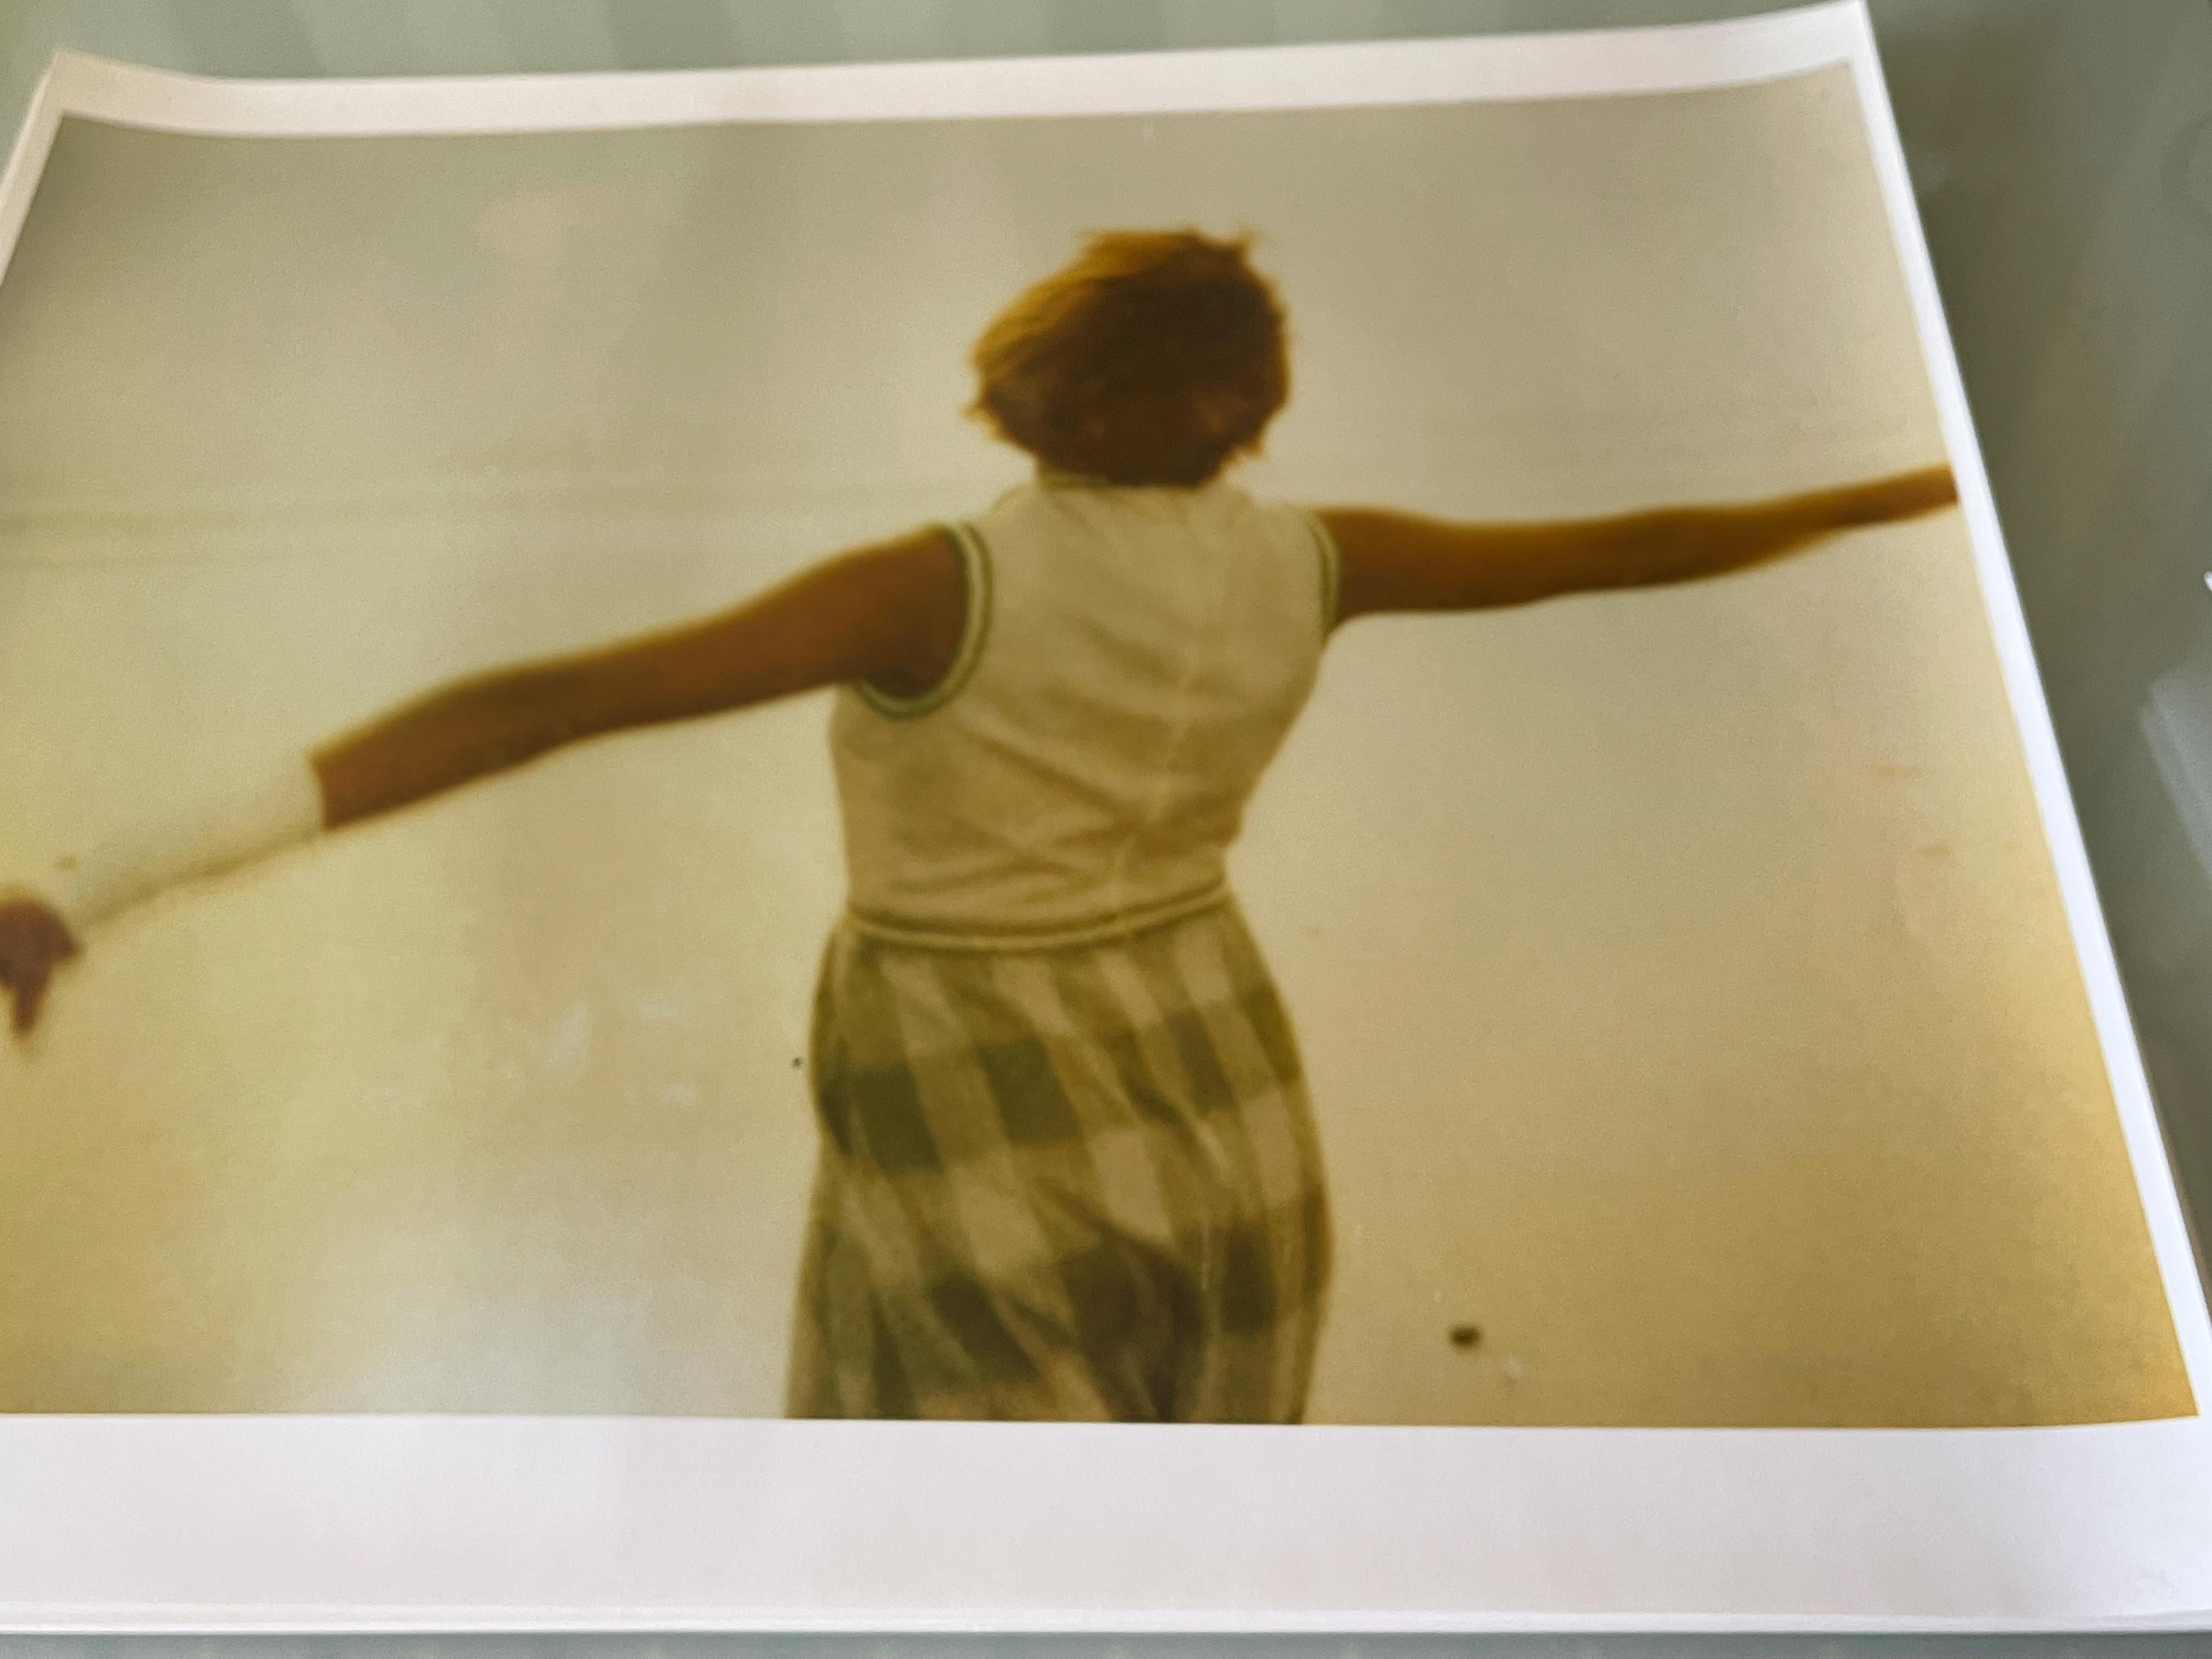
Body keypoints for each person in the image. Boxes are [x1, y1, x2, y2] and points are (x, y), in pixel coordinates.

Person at [0, 228, 1958, 1423]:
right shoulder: (1318, 558)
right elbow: (1633, 548)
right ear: (1245, 406)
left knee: (968, 1523)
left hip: (971, 1055)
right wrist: (1910, 493)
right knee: (1198, 1502)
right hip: (1215, 1049)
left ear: (1035, 386)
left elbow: (535, 709)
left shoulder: (936, 585)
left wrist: (96, 884)